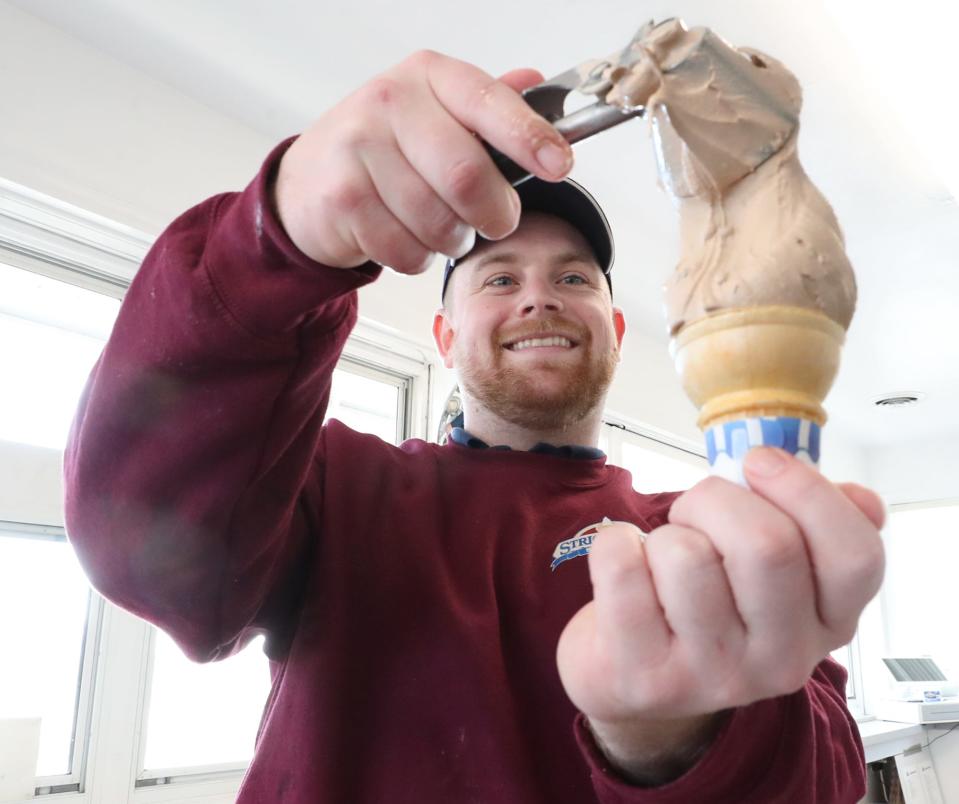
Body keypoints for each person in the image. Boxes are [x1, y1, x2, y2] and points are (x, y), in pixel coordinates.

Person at [64, 51, 885, 803]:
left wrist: (669, 739)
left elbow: (831, 777)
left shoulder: (696, 537)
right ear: (445, 338)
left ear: (616, 330)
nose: (538, 297)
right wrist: (272, 241)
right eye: (498, 276)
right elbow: (141, 543)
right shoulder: (335, 489)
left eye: (572, 276)